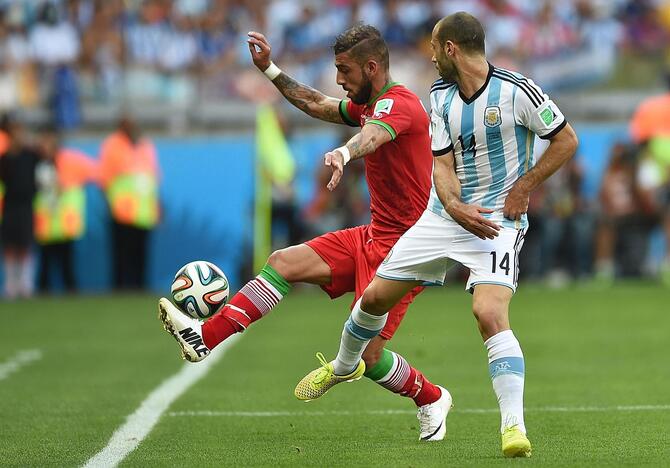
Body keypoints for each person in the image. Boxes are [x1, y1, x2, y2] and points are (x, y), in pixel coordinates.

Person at [295, 13, 578, 458]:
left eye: (433, 46)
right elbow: (442, 167)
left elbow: (565, 140)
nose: (427, 54)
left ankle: (513, 428)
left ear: (450, 49)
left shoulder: (517, 91)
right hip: (443, 216)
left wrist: (523, 188)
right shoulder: (441, 95)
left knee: (487, 312)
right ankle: (344, 366)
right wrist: (453, 206)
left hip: (497, 222)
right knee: (372, 300)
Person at [158, 24, 453, 441]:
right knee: (283, 262)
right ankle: (205, 337)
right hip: (375, 235)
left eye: (345, 70)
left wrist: (345, 151)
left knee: (368, 357)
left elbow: (374, 135)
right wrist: (270, 70)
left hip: (407, 251)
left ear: (372, 67)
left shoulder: (399, 104)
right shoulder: (368, 104)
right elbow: (316, 103)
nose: (338, 79)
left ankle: (432, 397)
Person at [99, 116, 160, 290]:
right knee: (121, 255)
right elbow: (105, 179)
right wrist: (109, 204)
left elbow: (152, 178)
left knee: (140, 255)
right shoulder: (112, 145)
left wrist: (156, 206)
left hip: (143, 213)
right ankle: (119, 288)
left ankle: (139, 288)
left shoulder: (146, 145)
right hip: (121, 212)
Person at [34, 127, 98, 292]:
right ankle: (43, 293)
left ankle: (70, 292)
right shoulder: (36, 163)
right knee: (45, 264)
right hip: (46, 225)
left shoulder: (69, 161)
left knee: (66, 263)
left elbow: (95, 172)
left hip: (64, 225)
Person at [0, 114, 40, 298]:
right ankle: (11, 284)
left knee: (25, 244)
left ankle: (26, 285)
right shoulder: (5, 159)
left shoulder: (31, 155)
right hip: (10, 206)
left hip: (26, 205)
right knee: (9, 245)